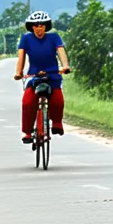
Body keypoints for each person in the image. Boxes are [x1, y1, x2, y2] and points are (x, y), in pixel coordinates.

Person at [13, 10, 72, 143]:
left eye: (42, 25)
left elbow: (61, 52)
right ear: (31, 27)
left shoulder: (54, 37)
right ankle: (28, 132)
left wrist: (65, 66)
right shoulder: (26, 38)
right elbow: (21, 57)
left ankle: (57, 123)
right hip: (33, 73)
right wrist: (19, 72)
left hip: (52, 73)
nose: (39, 28)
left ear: (46, 27)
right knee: (28, 101)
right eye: (36, 25)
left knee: (58, 100)